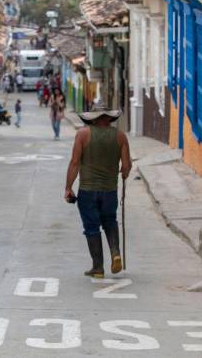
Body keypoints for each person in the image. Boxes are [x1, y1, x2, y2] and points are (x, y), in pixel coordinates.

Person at [63, 104, 131, 279]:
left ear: (92, 118)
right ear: (109, 118)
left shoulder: (83, 135)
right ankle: (115, 252)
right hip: (109, 190)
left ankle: (98, 267)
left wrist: (68, 187)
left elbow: (75, 162)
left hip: (88, 190)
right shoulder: (120, 136)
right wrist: (124, 174)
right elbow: (126, 166)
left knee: (92, 227)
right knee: (110, 220)